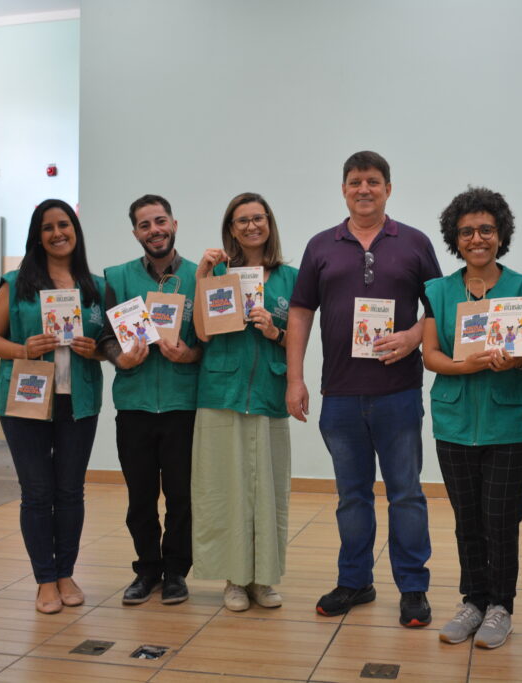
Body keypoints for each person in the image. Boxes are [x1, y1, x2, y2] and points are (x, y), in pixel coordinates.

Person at [286, 151, 442, 627]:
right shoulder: (320, 246)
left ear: (388, 189)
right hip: (339, 395)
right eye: (355, 181)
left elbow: (440, 307)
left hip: (398, 391)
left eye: (373, 181)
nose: (364, 189)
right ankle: (355, 582)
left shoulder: (414, 242)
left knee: (406, 494)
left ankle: (413, 587)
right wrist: (295, 378)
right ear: (343, 189)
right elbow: (300, 314)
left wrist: (413, 336)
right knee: (351, 497)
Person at [422, 187, 522, 649]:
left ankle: (500, 607)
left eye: (486, 229)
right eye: (467, 231)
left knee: (501, 519)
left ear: (501, 234)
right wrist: (466, 365)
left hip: (510, 423)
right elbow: (431, 355)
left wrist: (521, 359)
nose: (477, 238)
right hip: (454, 422)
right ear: (455, 238)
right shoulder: (436, 291)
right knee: (467, 519)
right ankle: (473, 601)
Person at [0, 199, 107, 614]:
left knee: (70, 491)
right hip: (26, 400)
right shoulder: (16, 283)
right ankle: (45, 580)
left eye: (64, 225)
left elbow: (109, 343)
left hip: (79, 401)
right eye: (48, 227)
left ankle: (66, 573)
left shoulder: (95, 286)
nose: (57, 233)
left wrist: (95, 350)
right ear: (38, 236)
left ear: (75, 231)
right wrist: (24, 348)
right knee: (37, 492)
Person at [193, 192, 297, 612]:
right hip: (222, 395)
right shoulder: (219, 273)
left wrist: (275, 332)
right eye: (242, 220)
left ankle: (263, 579)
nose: (252, 226)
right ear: (231, 229)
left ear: (269, 223)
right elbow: (202, 333)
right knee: (226, 491)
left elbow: (298, 341)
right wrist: (202, 277)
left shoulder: (291, 278)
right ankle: (234, 580)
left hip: (269, 395)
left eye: (258, 218)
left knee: (269, 492)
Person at [101, 194, 201, 606]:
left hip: (183, 405)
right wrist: (120, 358)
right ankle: (146, 569)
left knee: (182, 497)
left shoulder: (200, 276)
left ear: (174, 224)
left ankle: (176, 571)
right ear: (135, 233)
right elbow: (106, 338)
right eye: (145, 225)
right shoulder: (117, 277)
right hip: (134, 406)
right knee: (140, 497)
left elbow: (213, 341)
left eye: (160, 221)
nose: (154, 230)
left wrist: (190, 354)